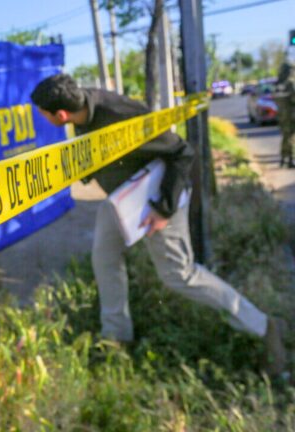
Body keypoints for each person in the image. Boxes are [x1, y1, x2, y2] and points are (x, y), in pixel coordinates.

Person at [30, 74, 288, 376]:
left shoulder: (118, 114)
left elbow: (181, 152)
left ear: (60, 115)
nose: (43, 118)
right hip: (123, 198)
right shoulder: (81, 109)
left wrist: (163, 209)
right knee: (104, 257)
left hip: (160, 196)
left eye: (44, 114)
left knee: (179, 275)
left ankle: (264, 326)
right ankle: (116, 338)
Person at [274, 62, 295, 168]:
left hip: (281, 114)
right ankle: (290, 159)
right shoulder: (290, 83)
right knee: (290, 137)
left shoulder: (278, 83)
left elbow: (275, 98)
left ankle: (283, 159)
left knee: (285, 136)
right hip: (290, 114)